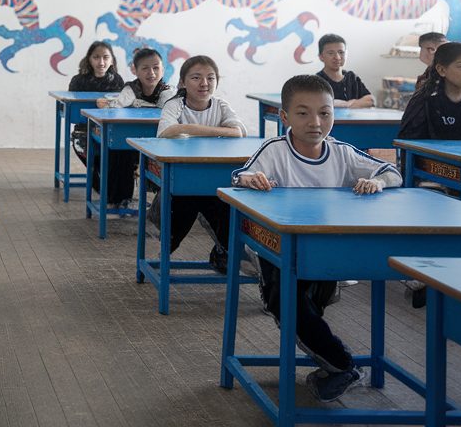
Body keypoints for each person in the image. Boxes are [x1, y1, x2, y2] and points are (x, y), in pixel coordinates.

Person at [233, 74, 402, 403]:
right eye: (303, 113)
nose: (315, 122)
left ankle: (334, 360)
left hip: (328, 250)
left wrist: (377, 183)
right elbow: (240, 176)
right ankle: (341, 364)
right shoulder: (274, 150)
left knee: (300, 308)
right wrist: (251, 179)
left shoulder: (341, 153)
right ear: (284, 117)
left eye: (325, 113)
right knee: (284, 302)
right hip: (279, 246)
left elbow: (391, 172)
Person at [156, 55, 247, 273]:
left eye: (210, 78)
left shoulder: (221, 106)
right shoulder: (175, 105)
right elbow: (166, 132)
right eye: (196, 77)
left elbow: (239, 132)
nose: (204, 83)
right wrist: (216, 132)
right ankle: (168, 249)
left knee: (226, 205)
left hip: (213, 176)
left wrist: (187, 129)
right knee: (186, 202)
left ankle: (223, 250)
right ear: (183, 82)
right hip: (181, 174)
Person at [67, 41, 130, 207]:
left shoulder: (117, 80)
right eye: (96, 57)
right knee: (96, 166)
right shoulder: (78, 81)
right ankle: (108, 193)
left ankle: (117, 195)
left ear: (112, 60)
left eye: (105, 57)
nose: (101, 62)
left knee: (118, 159)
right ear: (89, 59)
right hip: (84, 131)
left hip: (109, 130)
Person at [315, 34, 373, 108]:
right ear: (321, 57)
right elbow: (318, 104)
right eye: (331, 53)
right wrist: (349, 104)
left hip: (352, 119)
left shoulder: (352, 77)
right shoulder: (316, 81)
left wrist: (345, 104)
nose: (337, 57)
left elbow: (370, 100)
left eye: (341, 52)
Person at [103, 46, 172, 108]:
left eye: (156, 68)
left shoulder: (166, 92)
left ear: (162, 70)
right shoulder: (131, 89)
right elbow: (115, 107)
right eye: (145, 68)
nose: (151, 73)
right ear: (135, 71)